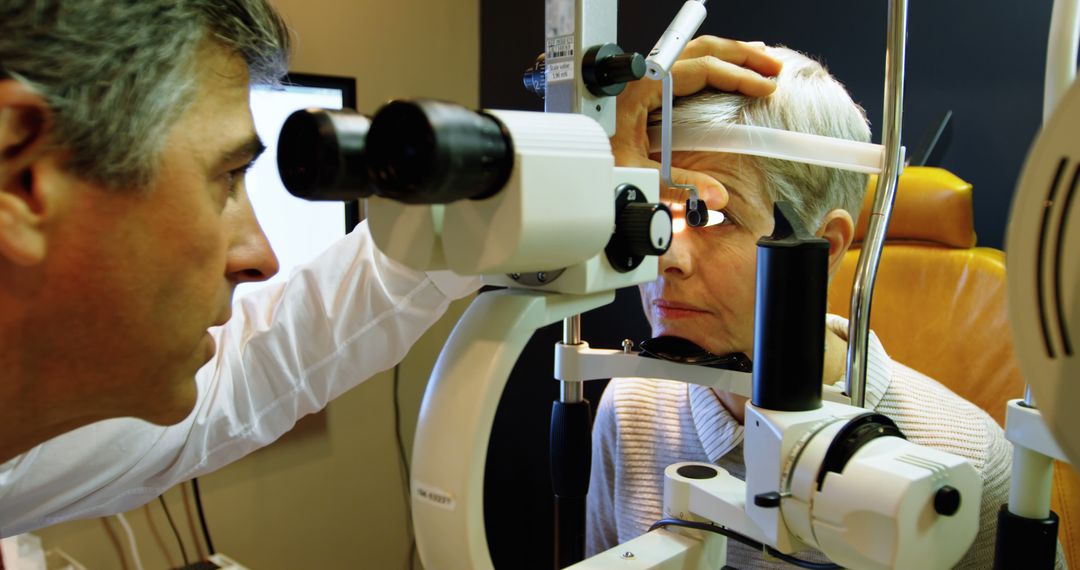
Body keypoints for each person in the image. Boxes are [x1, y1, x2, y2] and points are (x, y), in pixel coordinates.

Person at [0, 2, 782, 537]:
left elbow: (251, 371)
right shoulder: (634, 414)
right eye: (226, 178)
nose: (262, 256)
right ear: (21, 179)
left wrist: (496, 199)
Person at [587, 45, 1038, 569]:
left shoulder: (968, 461)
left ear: (825, 247)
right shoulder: (630, 409)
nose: (665, 256)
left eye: (710, 217)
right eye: (651, 212)